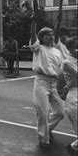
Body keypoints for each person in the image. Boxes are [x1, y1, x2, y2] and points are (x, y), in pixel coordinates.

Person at [28, 14, 64, 148]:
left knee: (60, 112)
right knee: (43, 111)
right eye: (47, 35)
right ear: (41, 37)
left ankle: (47, 129)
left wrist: (58, 23)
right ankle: (43, 138)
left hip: (54, 83)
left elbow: (60, 69)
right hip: (42, 81)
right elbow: (33, 37)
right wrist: (33, 22)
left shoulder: (56, 51)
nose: (51, 37)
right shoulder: (38, 48)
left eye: (52, 34)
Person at [60, 37, 78, 156]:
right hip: (74, 98)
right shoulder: (67, 62)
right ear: (70, 48)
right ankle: (73, 148)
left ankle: (73, 147)